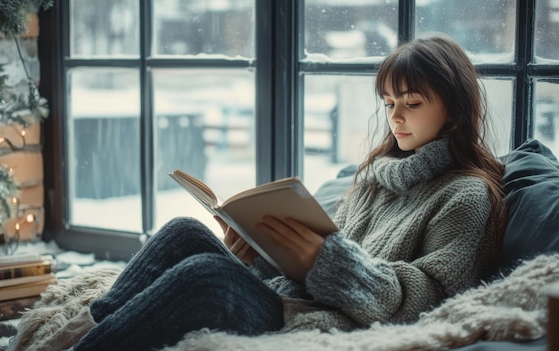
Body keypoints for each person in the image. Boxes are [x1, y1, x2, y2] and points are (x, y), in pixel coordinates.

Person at [64, 36, 506, 351]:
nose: (396, 117)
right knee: (183, 231)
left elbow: (435, 299)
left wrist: (327, 262)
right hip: (288, 293)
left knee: (206, 277)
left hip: (318, 320)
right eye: (389, 103)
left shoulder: (465, 195)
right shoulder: (374, 178)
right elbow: (307, 263)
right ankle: (78, 335)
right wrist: (258, 252)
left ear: (454, 110)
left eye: (411, 103)